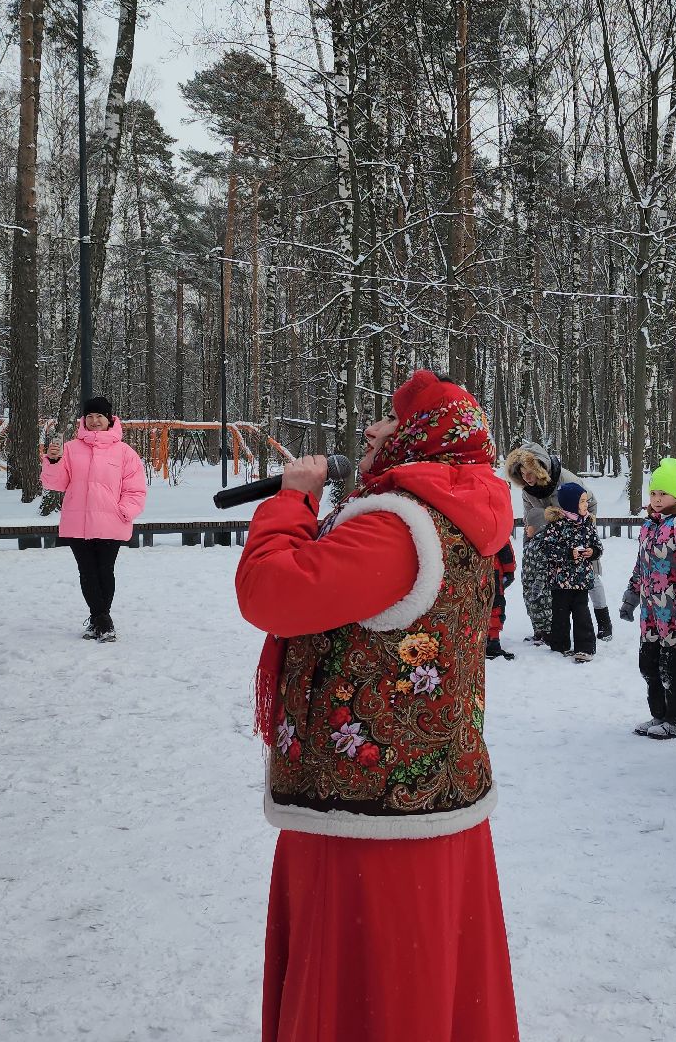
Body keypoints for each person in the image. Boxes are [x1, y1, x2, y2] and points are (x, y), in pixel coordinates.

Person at [235, 370, 520, 1042]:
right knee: (425, 979)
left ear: (422, 437)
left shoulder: (401, 525)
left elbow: (270, 592)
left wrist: (291, 503)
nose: (371, 429)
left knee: (370, 985)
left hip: (370, 818)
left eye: (391, 421)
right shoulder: (456, 509)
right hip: (427, 793)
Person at [41, 396, 147, 641]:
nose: (94, 420)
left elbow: (136, 489)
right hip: (78, 523)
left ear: (109, 419)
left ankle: (99, 620)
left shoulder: (125, 453)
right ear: (83, 420)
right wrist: (53, 461)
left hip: (112, 522)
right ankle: (102, 620)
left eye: (99, 416)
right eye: (89, 416)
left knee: (104, 570)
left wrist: (124, 511)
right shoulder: (69, 448)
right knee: (86, 572)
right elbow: (54, 483)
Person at [619, 457, 676, 740]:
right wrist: (632, 595)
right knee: (651, 663)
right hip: (650, 612)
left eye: (663, 493)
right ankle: (660, 713)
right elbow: (640, 565)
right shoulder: (649, 525)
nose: (657, 499)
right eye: (653, 493)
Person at [504, 443, 612, 644]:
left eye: (530, 471)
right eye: (522, 473)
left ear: (540, 467)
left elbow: (591, 502)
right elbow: (530, 515)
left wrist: (584, 530)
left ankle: (604, 621)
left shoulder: (566, 479)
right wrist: (533, 536)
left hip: (578, 531)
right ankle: (550, 628)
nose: (526, 477)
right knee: (553, 582)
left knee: (591, 577)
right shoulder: (528, 490)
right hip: (553, 539)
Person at [531, 482, 604, 661]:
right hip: (560, 581)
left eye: (586, 501)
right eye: (582, 501)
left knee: (582, 615)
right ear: (571, 503)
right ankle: (559, 645)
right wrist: (567, 553)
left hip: (581, 580)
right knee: (560, 615)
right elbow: (546, 548)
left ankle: (585, 647)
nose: (586, 505)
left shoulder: (587, 523)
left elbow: (598, 547)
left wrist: (592, 552)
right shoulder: (556, 525)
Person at [487, 543, 517, 661]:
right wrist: (509, 571)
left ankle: (475, 640)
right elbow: (505, 548)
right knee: (495, 607)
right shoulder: (496, 526)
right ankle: (492, 642)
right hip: (492, 568)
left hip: (470, 569)